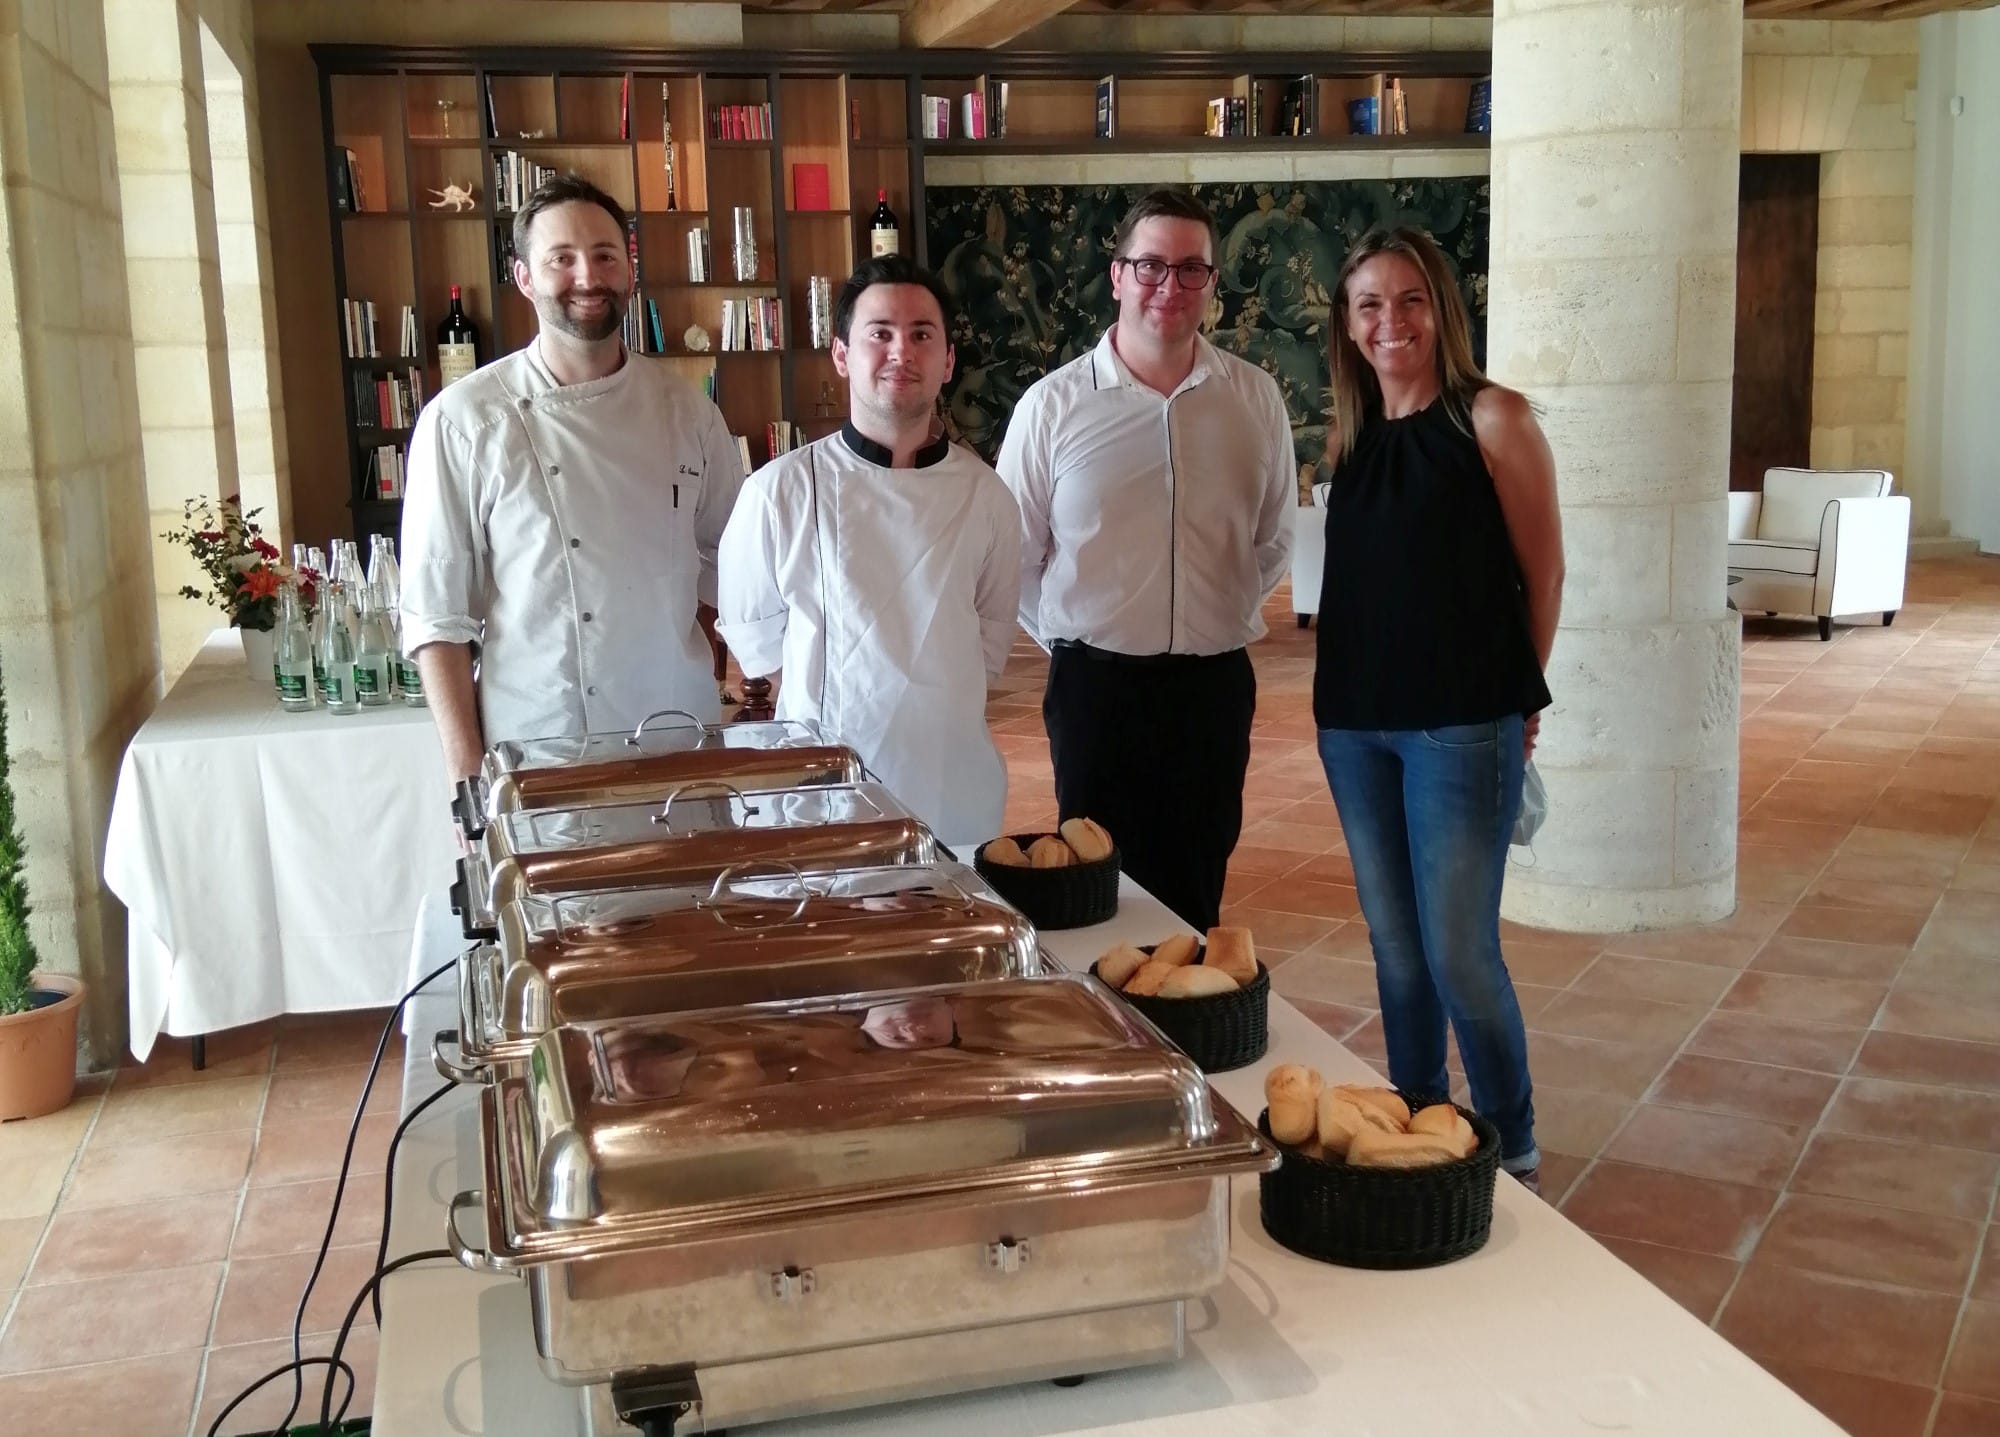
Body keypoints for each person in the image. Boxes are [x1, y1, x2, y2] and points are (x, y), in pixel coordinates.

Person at [1313, 225, 1565, 1194]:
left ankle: (1510, 1134)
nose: (1390, 322)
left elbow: (1540, 573)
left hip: (1458, 723)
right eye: (1368, 304)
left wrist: (1512, 693)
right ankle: (1415, 1115)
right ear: (1347, 323)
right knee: (1395, 947)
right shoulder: (1353, 431)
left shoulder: (1491, 419)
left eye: (1409, 299)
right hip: (1354, 726)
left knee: (1459, 950)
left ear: (1442, 311)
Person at [996, 188, 1294, 931]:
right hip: (1098, 690)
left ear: (1213, 284)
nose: (1171, 285)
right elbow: (1014, 555)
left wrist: (1207, 616)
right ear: (1118, 274)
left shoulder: (1252, 399)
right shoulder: (1052, 406)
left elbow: (1272, 538)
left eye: (1192, 269)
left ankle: (1187, 1035)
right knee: (1094, 886)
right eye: (1152, 265)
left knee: (1199, 880)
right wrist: (1078, 635)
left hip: (1212, 688)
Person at [401, 173, 745, 780]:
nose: (588, 278)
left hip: (678, 740)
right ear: (525, 278)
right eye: (562, 259)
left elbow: (730, 567)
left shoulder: (688, 411)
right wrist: (466, 780)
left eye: (605, 256)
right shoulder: (464, 420)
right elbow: (437, 618)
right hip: (541, 744)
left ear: (629, 272)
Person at [715, 255, 1021, 850]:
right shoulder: (778, 491)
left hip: (950, 786)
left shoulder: (987, 496)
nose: (900, 352)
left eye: (921, 335)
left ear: (948, 359)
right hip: (821, 794)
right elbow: (760, 654)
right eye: (879, 334)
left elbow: (987, 642)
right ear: (841, 354)